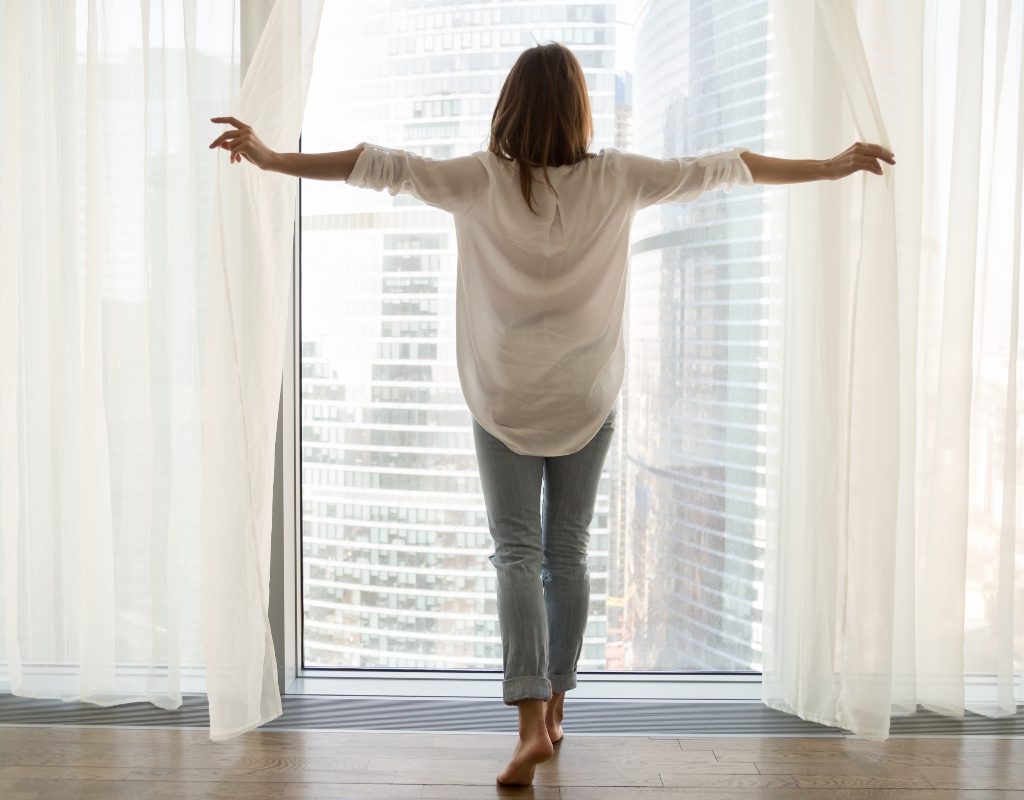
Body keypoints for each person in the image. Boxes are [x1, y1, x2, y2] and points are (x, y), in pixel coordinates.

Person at [210, 41, 895, 788]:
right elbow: (727, 167)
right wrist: (829, 166)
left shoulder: (477, 180)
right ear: (579, 110)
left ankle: (531, 724)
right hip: (587, 394)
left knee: (516, 554)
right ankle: (559, 707)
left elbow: (380, 164)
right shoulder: (620, 178)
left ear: (508, 107)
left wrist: (275, 160)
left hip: (504, 397)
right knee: (565, 552)